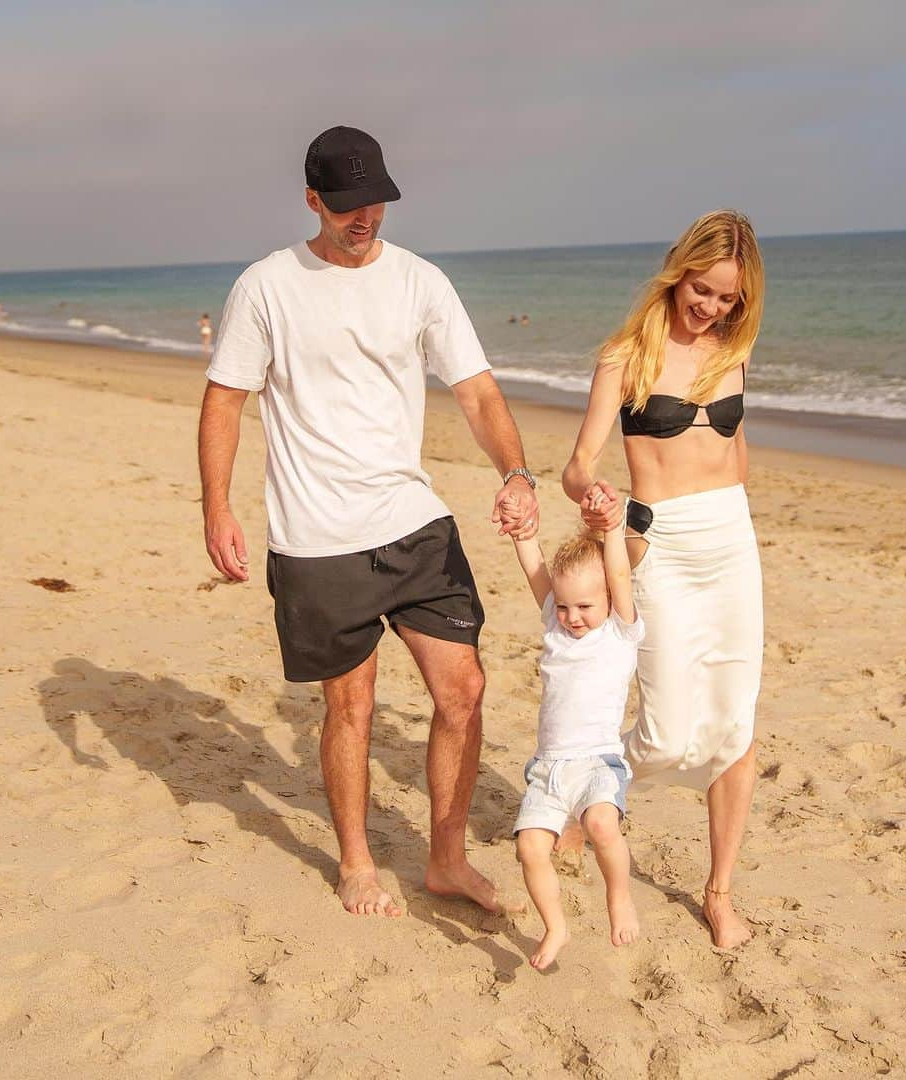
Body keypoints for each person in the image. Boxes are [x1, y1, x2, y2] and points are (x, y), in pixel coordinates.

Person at [197, 125, 540, 918]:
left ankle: (445, 859)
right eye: (348, 206)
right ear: (313, 200)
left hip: (413, 522)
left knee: (465, 689)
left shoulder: (421, 282)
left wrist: (515, 473)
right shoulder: (267, 287)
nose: (365, 219)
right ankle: (356, 859)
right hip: (318, 538)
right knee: (351, 705)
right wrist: (217, 506)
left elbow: (479, 390)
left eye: (376, 202)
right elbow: (226, 399)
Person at [562, 210, 765, 948]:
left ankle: (719, 892)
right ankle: (589, 783)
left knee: (737, 723)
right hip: (663, 543)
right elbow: (579, 462)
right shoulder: (626, 356)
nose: (710, 307)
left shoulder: (735, 351)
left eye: (727, 298)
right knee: (670, 728)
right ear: (679, 271)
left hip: (732, 540)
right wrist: (595, 494)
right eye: (703, 290)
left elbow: (737, 452)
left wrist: (740, 524)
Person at [507, 490, 642, 969]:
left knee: (601, 823)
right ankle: (555, 926)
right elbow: (534, 569)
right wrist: (523, 532)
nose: (572, 617)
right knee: (530, 847)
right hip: (547, 769)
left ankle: (619, 897)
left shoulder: (619, 632)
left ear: (608, 597)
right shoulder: (555, 625)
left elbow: (620, 571)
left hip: (597, 762)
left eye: (584, 606)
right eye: (564, 607)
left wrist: (609, 529)